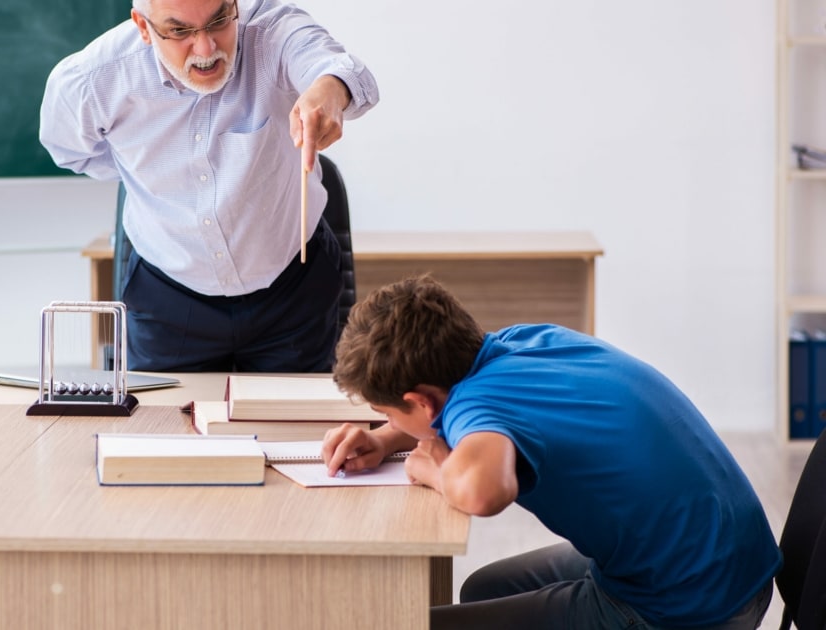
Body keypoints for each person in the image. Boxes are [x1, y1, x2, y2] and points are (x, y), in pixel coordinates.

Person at [322, 274, 781, 629]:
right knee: (484, 587)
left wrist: (436, 472)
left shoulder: (475, 404)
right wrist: (386, 437)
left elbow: (483, 492)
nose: (389, 422)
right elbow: (467, 412)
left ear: (420, 402)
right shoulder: (524, 342)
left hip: (687, 605)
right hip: (726, 560)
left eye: (386, 412)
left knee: (422, 625)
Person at [39, 0, 379, 372]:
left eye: (219, 20)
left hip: (291, 288)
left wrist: (327, 91)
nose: (205, 49)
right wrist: (146, 172)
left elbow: (345, 71)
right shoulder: (95, 79)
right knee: (162, 425)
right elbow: (71, 151)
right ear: (142, 26)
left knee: (293, 426)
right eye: (180, 31)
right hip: (167, 296)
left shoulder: (270, 29)